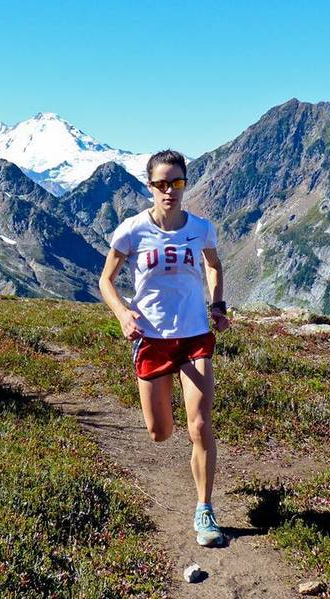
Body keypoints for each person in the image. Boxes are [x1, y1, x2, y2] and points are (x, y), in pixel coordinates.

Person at [99, 149, 231, 547]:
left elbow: (213, 265)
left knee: (200, 426)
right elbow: (106, 280)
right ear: (150, 186)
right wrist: (123, 314)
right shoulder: (132, 230)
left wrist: (218, 305)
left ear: (185, 184)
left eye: (177, 182)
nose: (169, 191)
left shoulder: (201, 228)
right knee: (160, 432)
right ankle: (176, 443)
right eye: (161, 184)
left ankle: (205, 509)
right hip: (152, 339)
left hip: (194, 336)